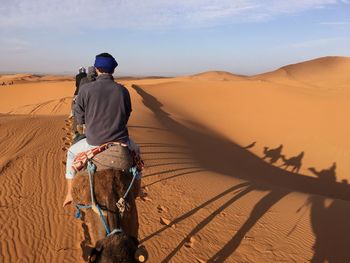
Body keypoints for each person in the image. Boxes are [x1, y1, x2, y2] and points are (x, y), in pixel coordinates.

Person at [63, 53, 135, 207]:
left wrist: (83, 124)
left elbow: (79, 114)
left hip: (94, 142)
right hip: (121, 141)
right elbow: (127, 114)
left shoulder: (86, 89)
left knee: (71, 153)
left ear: (96, 68)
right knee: (137, 154)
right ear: (113, 70)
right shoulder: (123, 91)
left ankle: (69, 193)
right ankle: (139, 190)